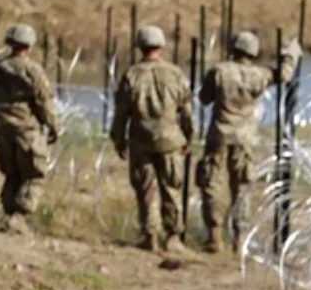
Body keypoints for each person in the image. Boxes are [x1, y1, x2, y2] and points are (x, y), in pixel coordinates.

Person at [197, 30, 301, 253]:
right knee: (242, 187)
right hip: (245, 139)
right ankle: (239, 238)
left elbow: (204, 99)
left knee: (212, 183)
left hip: (219, 135)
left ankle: (214, 235)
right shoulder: (260, 75)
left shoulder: (220, 71)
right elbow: (284, 75)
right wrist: (290, 54)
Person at [110, 25, 194, 253]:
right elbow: (186, 112)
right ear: (162, 46)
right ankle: (174, 237)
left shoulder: (131, 75)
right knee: (172, 189)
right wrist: (189, 138)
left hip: (141, 140)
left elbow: (121, 113)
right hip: (170, 141)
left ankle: (150, 235)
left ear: (139, 46)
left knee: (145, 190)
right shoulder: (175, 74)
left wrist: (118, 139)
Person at [0, 24, 59, 235]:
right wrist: (52, 126)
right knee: (34, 174)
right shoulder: (32, 70)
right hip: (27, 129)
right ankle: (19, 216)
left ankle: (9, 216)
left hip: (3, 128)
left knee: (12, 173)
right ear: (30, 45)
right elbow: (43, 102)